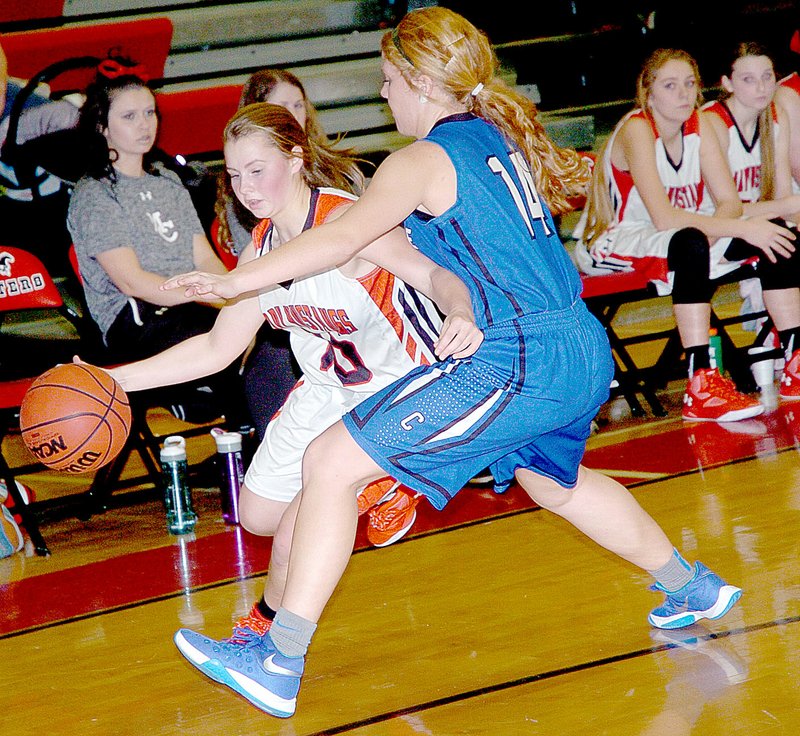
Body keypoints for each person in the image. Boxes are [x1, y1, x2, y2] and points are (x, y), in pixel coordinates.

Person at [164, 8, 743, 719]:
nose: (383, 97)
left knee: (331, 463)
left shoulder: (420, 160)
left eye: (387, 82)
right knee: (551, 481)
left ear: (417, 80)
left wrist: (234, 282)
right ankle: (689, 585)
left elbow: (339, 237)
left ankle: (278, 659)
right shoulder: (494, 135)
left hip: (517, 354)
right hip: (577, 344)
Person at [102, 99, 481, 645]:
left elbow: (436, 275)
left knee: (303, 521)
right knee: (258, 515)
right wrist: (113, 380)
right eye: (234, 175)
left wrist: (461, 311)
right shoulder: (264, 247)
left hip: (397, 388)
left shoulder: (348, 221)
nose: (246, 188)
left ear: (297, 158)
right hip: (328, 390)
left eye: (258, 170)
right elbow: (216, 348)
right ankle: (366, 495)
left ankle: (265, 635)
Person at [576, 47, 798, 422]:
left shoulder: (698, 125)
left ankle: (795, 358)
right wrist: (727, 229)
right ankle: (701, 384)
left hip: (685, 233)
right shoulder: (637, 128)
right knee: (695, 239)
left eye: (689, 84)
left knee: (775, 233)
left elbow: (728, 202)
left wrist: (731, 229)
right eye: (670, 85)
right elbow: (663, 218)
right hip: (615, 240)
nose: (682, 93)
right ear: (648, 94)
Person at [67, 56, 248, 425]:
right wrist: (204, 294)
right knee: (218, 335)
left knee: (262, 329)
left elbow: (206, 259)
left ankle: (244, 432)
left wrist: (232, 295)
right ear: (102, 125)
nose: (145, 124)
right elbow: (132, 282)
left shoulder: (167, 182)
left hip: (187, 307)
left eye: (150, 113)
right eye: (129, 116)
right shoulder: (94, 195)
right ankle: (240, 429)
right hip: (134, 320)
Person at [214, 68, 366, 439]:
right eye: (282, 106)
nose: (293, 114)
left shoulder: (342, 181)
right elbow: (252, 278)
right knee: (268, 359)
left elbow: (422, 270)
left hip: (360, 320)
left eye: (298, 104)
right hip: (284, 316)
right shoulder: (248, 196)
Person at [703, 41, 800, 396]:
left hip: (751, 227)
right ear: (727, 83)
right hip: (708, 230)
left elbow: (773, 198)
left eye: (767, 77)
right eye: (748, 79)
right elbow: (726, 208)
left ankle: (792, 349)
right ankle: (794, 351)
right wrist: (790, 206)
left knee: (783, 228)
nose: (761, 87)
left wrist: (788, 207)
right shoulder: (710, 123)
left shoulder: (775, 117)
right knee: (782, 232)